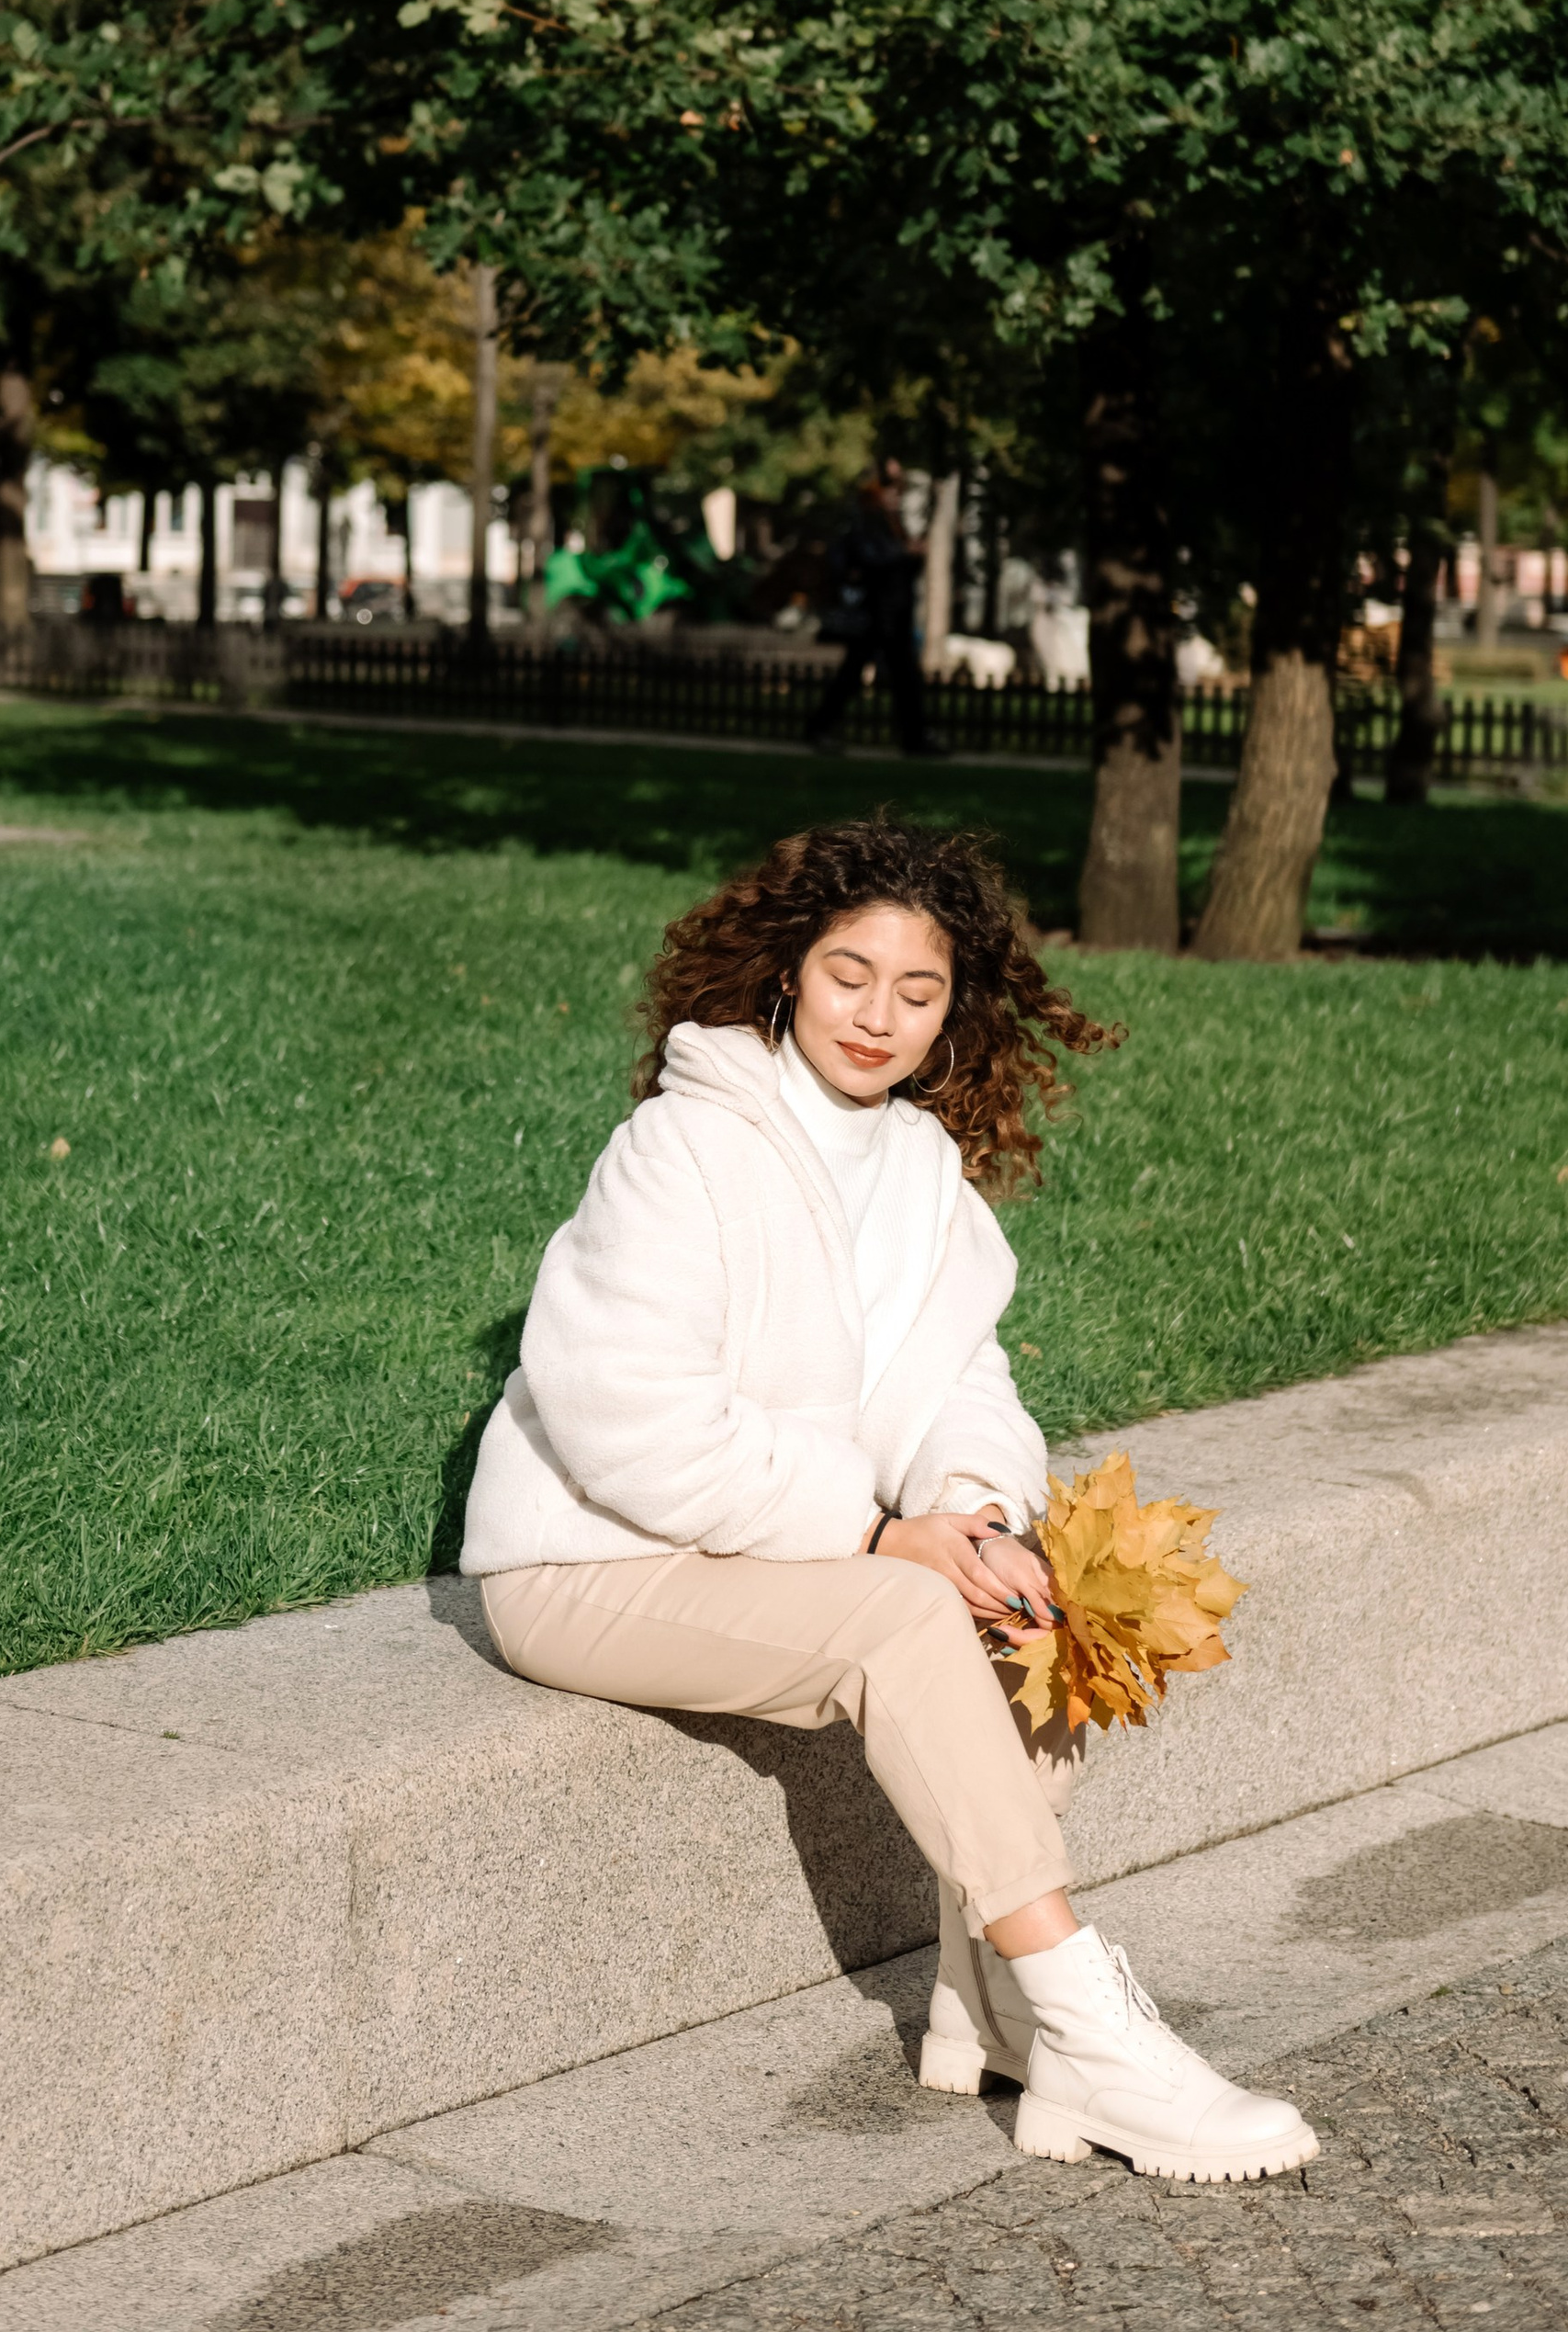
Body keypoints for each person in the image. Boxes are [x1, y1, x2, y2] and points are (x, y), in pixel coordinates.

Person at [462, 817, 1319, 2184]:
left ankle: (993, 2018)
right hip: (589, 1560)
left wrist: (974, 1513)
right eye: (849, 973)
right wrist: (872, 1532)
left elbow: (960, 1383)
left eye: (917, 991)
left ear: (952, 1010)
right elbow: (623, 1415)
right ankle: (1090, 2023)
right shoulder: (684, 1145)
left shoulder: (923, 1172)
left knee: (1024, 1609)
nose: (879, 1014)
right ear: (788, 971)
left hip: (771, 1553)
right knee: (902, 1620)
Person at [809, 459, 940, 755]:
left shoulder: (890, 520)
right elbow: (867, 559)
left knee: (904, 677)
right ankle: (821, 728)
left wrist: (912, 556)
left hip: (894, 611)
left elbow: (898, 566)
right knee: (857, 674)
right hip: (876, 613)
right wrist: (904, 553)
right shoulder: (866, 517)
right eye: (891, 485)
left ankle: (914, 737)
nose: (897, 492)